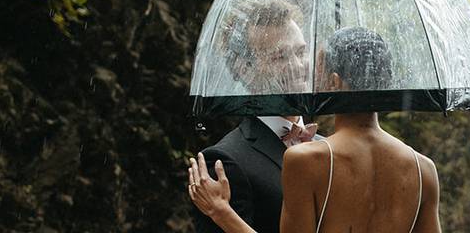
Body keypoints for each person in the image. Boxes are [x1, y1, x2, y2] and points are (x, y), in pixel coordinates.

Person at [189, 26, 441, 233]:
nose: (302, 68)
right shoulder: (424, 169)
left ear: (333, 82)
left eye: (305, 55)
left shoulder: (307, 159)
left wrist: (222, 213)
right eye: (281, 56)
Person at [192, 0, 321, 233]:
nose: (297, 66)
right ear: (245, 70)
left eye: (301, 52)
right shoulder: (224, 161)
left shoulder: (332, 148)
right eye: (280, 57)